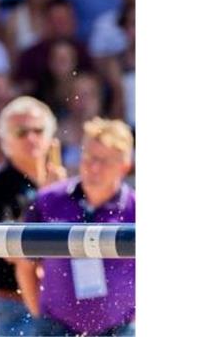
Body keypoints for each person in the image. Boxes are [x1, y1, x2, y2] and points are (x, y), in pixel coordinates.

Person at [17, 118, 135, 335]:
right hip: (55, 326)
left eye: (104, 160)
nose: (94, 167)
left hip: (120, 328)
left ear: (125, 167)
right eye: (89, 157)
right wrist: (39, 315)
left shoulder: (135, 209)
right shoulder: (48, 200)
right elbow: (25, 265)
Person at [0, 96, 67, 337]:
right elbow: (9, 247)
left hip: (67, 302)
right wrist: (48, 198)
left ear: (51, 136)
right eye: (21, 131)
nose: (31, 138)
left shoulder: (65, 185)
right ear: (4, 140)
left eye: (38, 130)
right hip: (16, 303)